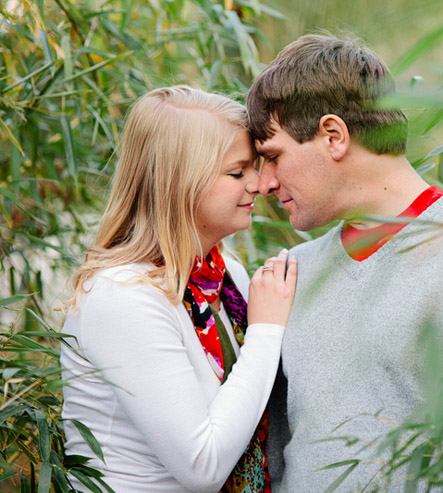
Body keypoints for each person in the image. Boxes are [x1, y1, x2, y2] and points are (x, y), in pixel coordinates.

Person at [246, 35, 443, 491]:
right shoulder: (291, 275)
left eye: (273, 157)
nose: (264, 184)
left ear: (333, 136)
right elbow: (275, 457)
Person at [61, 86, 297, 492]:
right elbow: (202, 467)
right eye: (237, 172)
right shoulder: (123, 295)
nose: (259, 184)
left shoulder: (223, 275)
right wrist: (266, 331)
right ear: (180, 183)